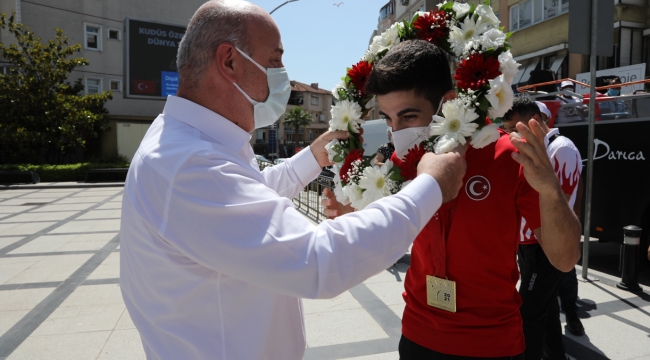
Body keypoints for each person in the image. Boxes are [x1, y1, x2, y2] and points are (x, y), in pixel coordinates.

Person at [118, 2, 468, 359]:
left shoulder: (191, 145)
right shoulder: (187, 164)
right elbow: (319, 262)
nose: (283, 72)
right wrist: (430, 187)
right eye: (274, 59)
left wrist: (311, 159)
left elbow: (248, 207)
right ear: (229, 62)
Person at [323, 40, 582, 359]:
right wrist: (351, 211)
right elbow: (375, 237)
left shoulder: (508, 155)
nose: (396, 132)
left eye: (407, 116)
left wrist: (550, 190)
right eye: (389, 120)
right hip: (417, 336)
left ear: (447, 103)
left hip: (491, 344)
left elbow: (565, 258)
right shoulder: (400, 163)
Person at [503, 96, 583, 360]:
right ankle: (556, 354)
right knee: (544, 308)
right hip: (528, 245)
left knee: (529, 313)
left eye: (515, 128)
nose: (511, 136)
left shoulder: (561, 148)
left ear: (534, 121)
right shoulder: (536, 148)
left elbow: (561, 200)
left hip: (546, 246)